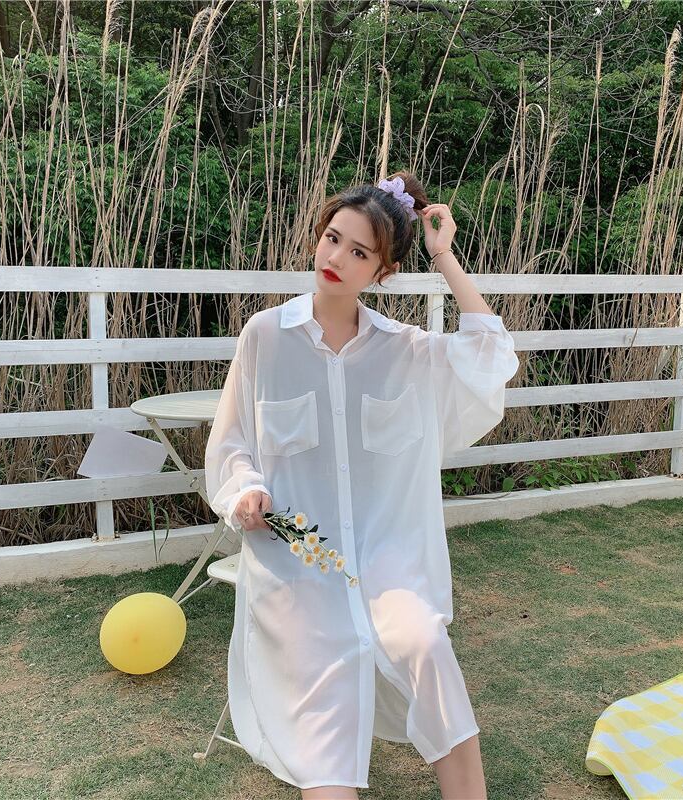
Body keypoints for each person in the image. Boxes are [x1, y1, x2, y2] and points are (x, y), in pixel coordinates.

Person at [204, 172, 520, 800]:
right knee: (323, 748)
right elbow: (231, 443)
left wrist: (443, 255)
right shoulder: (265, 336)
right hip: (298, 567)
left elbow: (490, 357)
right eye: (332, 239)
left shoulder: (405, 351)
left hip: (387, 565)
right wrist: (245, 490)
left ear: (382, 271)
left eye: (358, 252)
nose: (336, 258)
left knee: (426, 649)